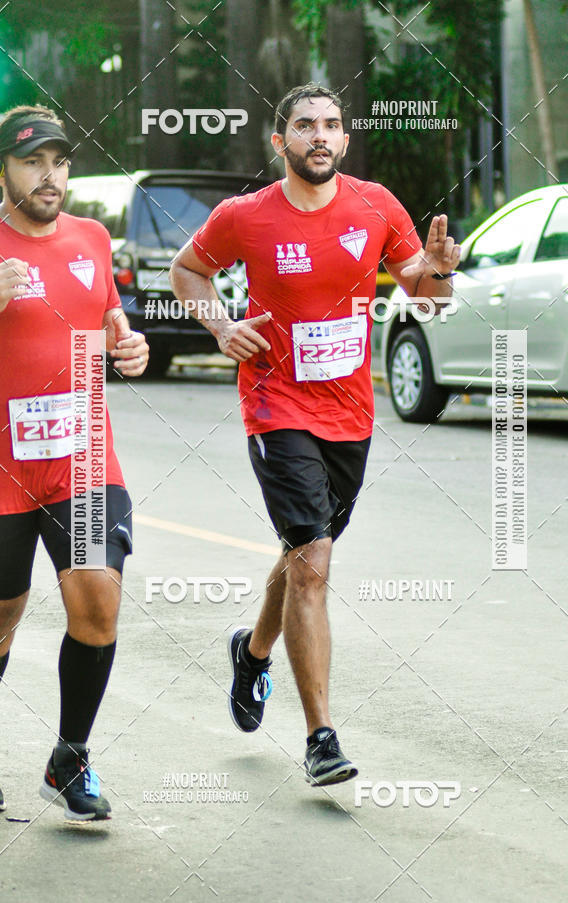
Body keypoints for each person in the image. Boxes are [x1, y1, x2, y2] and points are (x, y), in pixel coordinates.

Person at [170, 83, 459, 786]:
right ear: (282, 142)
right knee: (314, 560)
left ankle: (253, 649)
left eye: (331, 125)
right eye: (305, 126)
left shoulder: (376, 205)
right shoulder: (246, 217)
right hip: (276, 405)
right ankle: (321, 736)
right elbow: (188, 269)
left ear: (346, 141)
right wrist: (221, 325)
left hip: (351, 414)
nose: (319, 136)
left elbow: (424, 290)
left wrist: (442, 272)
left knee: (303, 556)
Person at [0, 105, 149, 819]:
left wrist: (131, 350)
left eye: (58, 161)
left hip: (82, 461)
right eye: (32, 161)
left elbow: (108, 328)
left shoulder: (91, 238)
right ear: (4, 170)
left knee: (98, 601)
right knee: (2, 619)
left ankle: (69, 758)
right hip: (2, 466)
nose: (49, 175)